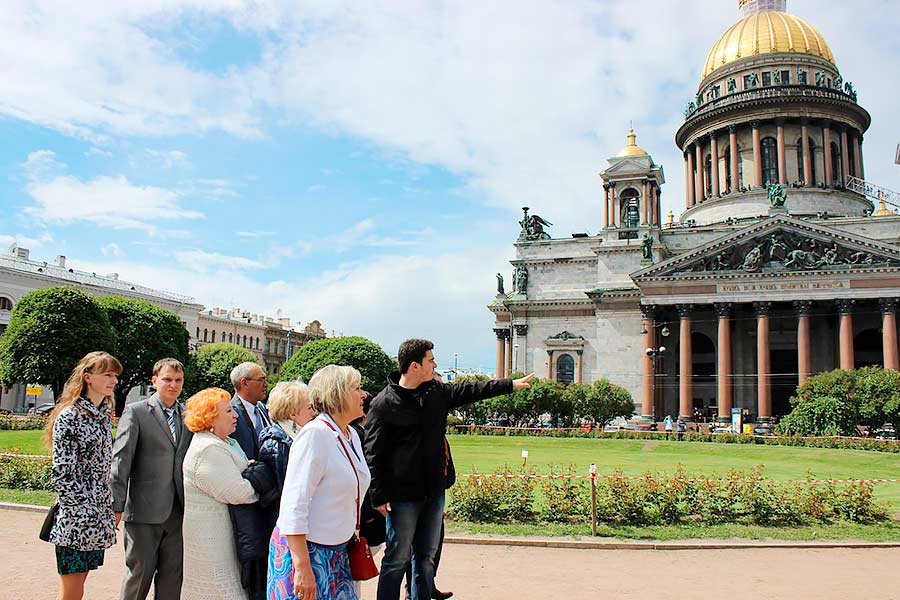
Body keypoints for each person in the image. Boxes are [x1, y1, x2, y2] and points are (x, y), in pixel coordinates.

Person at [364, 338, 534, 600]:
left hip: (433, 492)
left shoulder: (436, 394)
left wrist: (509, 384)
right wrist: (378, 494)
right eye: (430, 360)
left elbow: (473, 390)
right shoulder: (383, 404)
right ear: (414, 366)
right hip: (401, 497)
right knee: (396, 559)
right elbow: (373, 453)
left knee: (426, 559)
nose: (435, 364)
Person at [277, 364, 370, 600]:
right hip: (306, 552)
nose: (364, 394)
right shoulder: (315, 435)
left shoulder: (349, 435)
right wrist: (302, 567)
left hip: (337, 551)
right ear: (336, 394)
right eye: (356, 388)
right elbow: (293, 504)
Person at [111, 358, 192, 600]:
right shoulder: (136, 412)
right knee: (139, 576)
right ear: (154, 380)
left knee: (172, 579)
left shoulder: (187, 415)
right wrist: (116, 505)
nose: (173, 385)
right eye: (167, 379)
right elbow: (120, 460)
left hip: (178, 513)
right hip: (144, 512)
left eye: (178, 381)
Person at [47, 351, 122, 600]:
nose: (114, 380)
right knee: (71, 589)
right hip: (76, 520)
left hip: (96, 515)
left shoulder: (101, 417)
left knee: (79, 584)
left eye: (115, 375)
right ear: (88, 377)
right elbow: (63, 473)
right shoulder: (70, 416)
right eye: (107, 374)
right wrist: (84, 512)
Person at [181, 388, 259, 600]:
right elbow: (239, 492)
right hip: (211, 542)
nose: (235, 415)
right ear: (210, 417)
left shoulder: (223, 442)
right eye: (228, 411)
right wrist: (261, 480)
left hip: (225, 537)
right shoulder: (208, 448)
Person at [255, 381, 317, 598]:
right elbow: (287, 492)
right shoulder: (277, 442)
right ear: (292, 413)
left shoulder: (292, 437)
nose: (313, 412)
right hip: (285, 531)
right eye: (308, 407)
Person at [230, 362, 271, 460]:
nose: (266, 384)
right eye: (261, 380)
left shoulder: (263, 409)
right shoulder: (230, 414)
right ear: (244, 383)